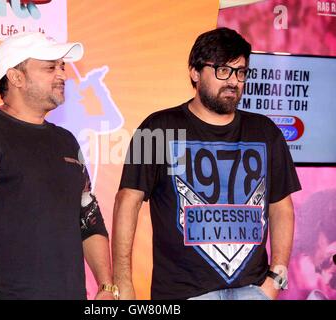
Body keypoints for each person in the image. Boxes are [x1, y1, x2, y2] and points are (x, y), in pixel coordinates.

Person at [112, 27, 301, 300]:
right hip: (183, 293)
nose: (234, 81)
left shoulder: (265, 131)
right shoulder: (157, 128)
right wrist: (123, 282)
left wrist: (275, 278)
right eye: (223, 70)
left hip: (253, 291)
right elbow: (127, 201)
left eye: (241, 72)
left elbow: (281, 207)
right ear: (194, 72)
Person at [0, 32, 117, 300]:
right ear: (16, 77)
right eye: (50, 67)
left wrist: (107, 287)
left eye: (62, 67)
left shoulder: (65, 140)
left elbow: (89, 217)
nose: (62, 75)